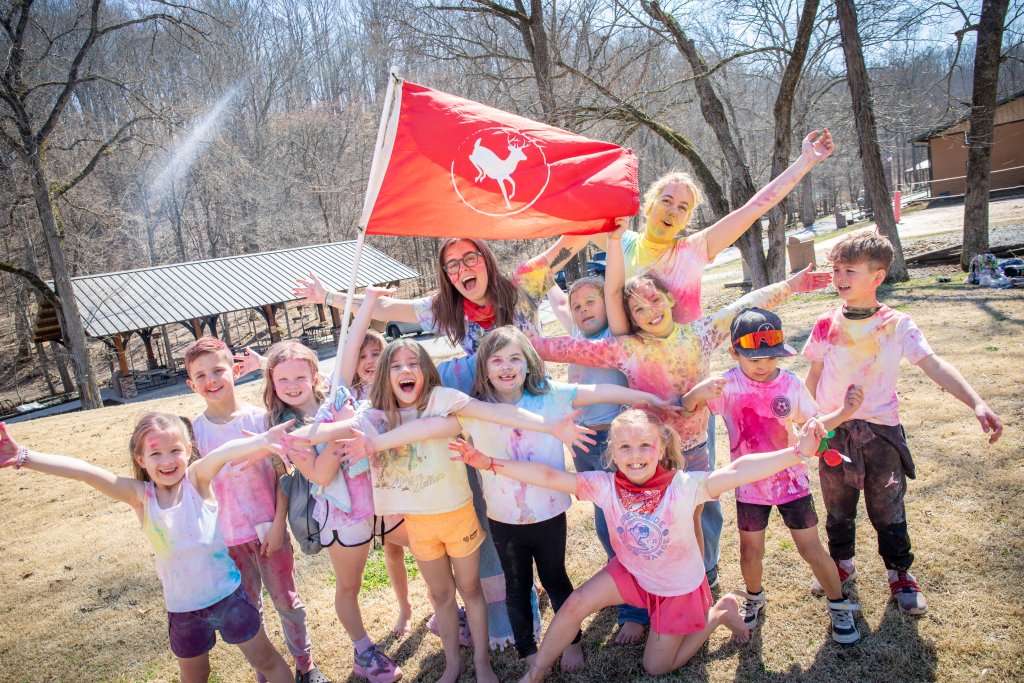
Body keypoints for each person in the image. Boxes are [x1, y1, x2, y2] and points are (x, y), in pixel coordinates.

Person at [601, 128, 836, 588]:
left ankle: (702, 570)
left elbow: (756, 207)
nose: (672, 210)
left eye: (683, 207)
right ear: (648, 204)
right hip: (636, 379)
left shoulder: (695, 249)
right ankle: (649, 567)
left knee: (697, 483)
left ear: (688, 219)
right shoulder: (622, 245)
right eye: (666, 200)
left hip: (692, 381)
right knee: (644, 477)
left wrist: (805, 161)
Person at [448, 409, 832, 682]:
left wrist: (797, 452)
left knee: (656, 668)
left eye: (644, 446)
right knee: (576, 603)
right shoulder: (604, 484)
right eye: (626, 448)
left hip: (677, 587)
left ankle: (718, 613)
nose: (635, 456)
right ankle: (537, 671)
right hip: (631, 572)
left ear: (661, 450)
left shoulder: (684, 486)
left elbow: (736, 470)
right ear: (612, 453)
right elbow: (548, 474)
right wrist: (487, 463)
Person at [314, 338, 593, 683]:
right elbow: (333, 430)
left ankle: (482, 663)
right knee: (440, 595)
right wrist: (289, 437)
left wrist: (548, 425)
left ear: (426, 370)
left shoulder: (442, 402)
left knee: (470, 590)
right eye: (397, 366)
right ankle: (453, 664)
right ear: (386, 375)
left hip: (458, 517)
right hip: (419, 527)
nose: (406, 371)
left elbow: (494, 412)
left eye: (413, 363)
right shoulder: (375, 417)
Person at [530, 256, 830, 557]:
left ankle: (700, 579)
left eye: (654, 300)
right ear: (632, 318)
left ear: (669, 298)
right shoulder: (628, 349)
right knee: (658, 521)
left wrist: (789, 286)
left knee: (693, 517)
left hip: (695, 448)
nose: (650, 311)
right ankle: (663, 582)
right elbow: (569, 349)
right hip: (653, 453)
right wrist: (520, 345)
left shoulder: (699, 334)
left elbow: (741, 307)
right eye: (639, 309)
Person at [0, 415, 301, 683]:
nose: (167, 460)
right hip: (184, 612)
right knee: (195, 676)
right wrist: (24, 456)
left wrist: (263, 440)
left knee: (265, 661)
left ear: (188, 451)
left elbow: (222, 454)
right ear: (141, 459)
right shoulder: (141, 497)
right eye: (155, 453)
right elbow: (87, 473)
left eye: (175, 451)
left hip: (229, 600)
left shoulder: (197, 481)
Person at [802, 231, 1003, 615]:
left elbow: (934, 364)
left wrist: (976, 402)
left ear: (877, 277)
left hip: (880, 435)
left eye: (850, 270)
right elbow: (813, 376)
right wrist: (811, 419)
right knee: (838, 508)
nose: (839, 277)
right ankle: (841, 566)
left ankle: (900, 575)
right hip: (833, 434)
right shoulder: (825, 323)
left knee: (887, 507)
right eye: (836, 269)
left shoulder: (897, 324)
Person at [459, 325, 672, 670]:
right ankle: (529, 652)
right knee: (517, 587)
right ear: (484, 367)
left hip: (549, 512)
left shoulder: (550, 394)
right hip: (503, 518)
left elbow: (599, 390)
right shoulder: (474, 409)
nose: (506, 367)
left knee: (555, 578)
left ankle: (571, 641)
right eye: (496, 360)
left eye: (515, 358)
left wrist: (649, 400)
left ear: (529, 363)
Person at [682, 308, 864, 644]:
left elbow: (815, 427)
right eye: (753, 359)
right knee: (750, 552)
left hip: (791, 482)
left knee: (811, 548)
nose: (763, 365)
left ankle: (838, 603)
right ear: (734, 353)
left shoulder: (790, 384)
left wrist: (846, 412)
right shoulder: (726, 385)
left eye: (770, 357)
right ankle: (754, 597)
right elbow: (687, 410)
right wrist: (696, 394)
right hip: (749, 487)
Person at [260, 337, 409, 683]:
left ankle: (443, 612)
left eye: (300, 377)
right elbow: (321, 473)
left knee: (426, 548)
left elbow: (351, 342)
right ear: (273, 384)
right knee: (349, 586)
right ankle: (363, 651)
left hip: (380, 500)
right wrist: (341, 429)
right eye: (283, 380)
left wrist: (338, 419)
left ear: (315, 375)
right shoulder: (287, 430)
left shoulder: (337, 397)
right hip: (342, 516)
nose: (293, 386)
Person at [183, 337, 328, 683]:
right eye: (201, 375)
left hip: (268, 530)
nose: (211, 380)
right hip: (226, 541)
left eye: (218, 370)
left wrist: (279, 524)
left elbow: (283, 475)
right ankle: (266, 669)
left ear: (234, 370)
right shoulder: (193, 434)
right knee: (249, 610)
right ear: (191, 384)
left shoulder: (262, 419)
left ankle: (305, 665)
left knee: (287, 602)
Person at [562, 276, 650, 643]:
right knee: (603, 521)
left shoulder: (616, 335)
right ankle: (619, 583)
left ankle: (637, 609)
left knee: (625, 521)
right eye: (576, 306)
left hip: (615, 441)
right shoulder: (575, 343)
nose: (583, 309)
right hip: (585, 440)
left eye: (590, 301)